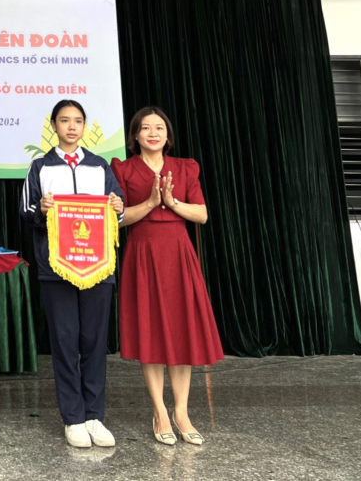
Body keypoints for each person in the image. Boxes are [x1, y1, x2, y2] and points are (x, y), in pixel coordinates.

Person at [111, 106, 222, 446]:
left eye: (159, 128)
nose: (153, 133)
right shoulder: (123, 169)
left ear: (167, 134)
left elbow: (201, 214)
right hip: (143, 253)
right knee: (151, 332)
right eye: (146, 128)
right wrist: (150, 203)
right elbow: (118, 219)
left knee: (181, 330)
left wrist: (171, 203)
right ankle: (160, 411)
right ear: (135, 135)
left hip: (178, 252)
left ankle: (182, 412)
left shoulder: (185, 167)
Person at [20, 100, 125, 449]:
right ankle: (73, 418)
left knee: (94, 342)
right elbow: (26, 211)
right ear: (54, 125)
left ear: (84, 126)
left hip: (98, 266)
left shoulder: (99, 165)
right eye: (64, 120)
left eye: (77, 121)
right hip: (56, 268)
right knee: (65, 343)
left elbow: (118, 211)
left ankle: (94, 415)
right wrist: (41, 209)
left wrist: (118, 207)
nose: (71, 127)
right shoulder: (40, 166)